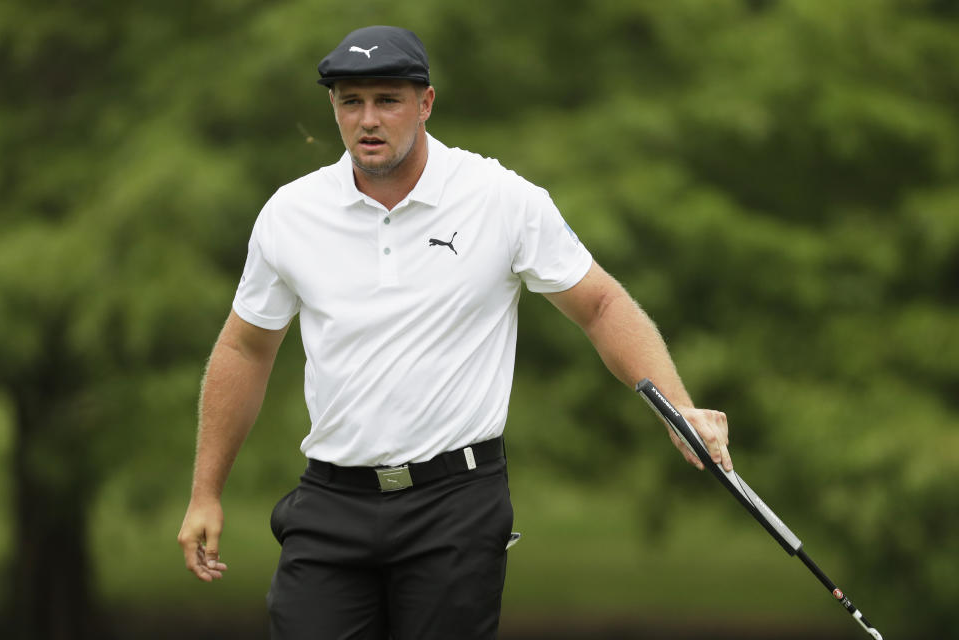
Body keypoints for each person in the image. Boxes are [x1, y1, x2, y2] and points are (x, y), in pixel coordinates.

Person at [177, 25, 733, 640]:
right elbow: (245, 348)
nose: (368, 119)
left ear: (426, 103)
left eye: (387, 100)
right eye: (350, 101)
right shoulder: (291, 214)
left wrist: (676, 406)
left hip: (455, 505)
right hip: (331, 501)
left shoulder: (500, 199)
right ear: (332, 106)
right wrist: (206, 492)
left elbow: (600, 304)